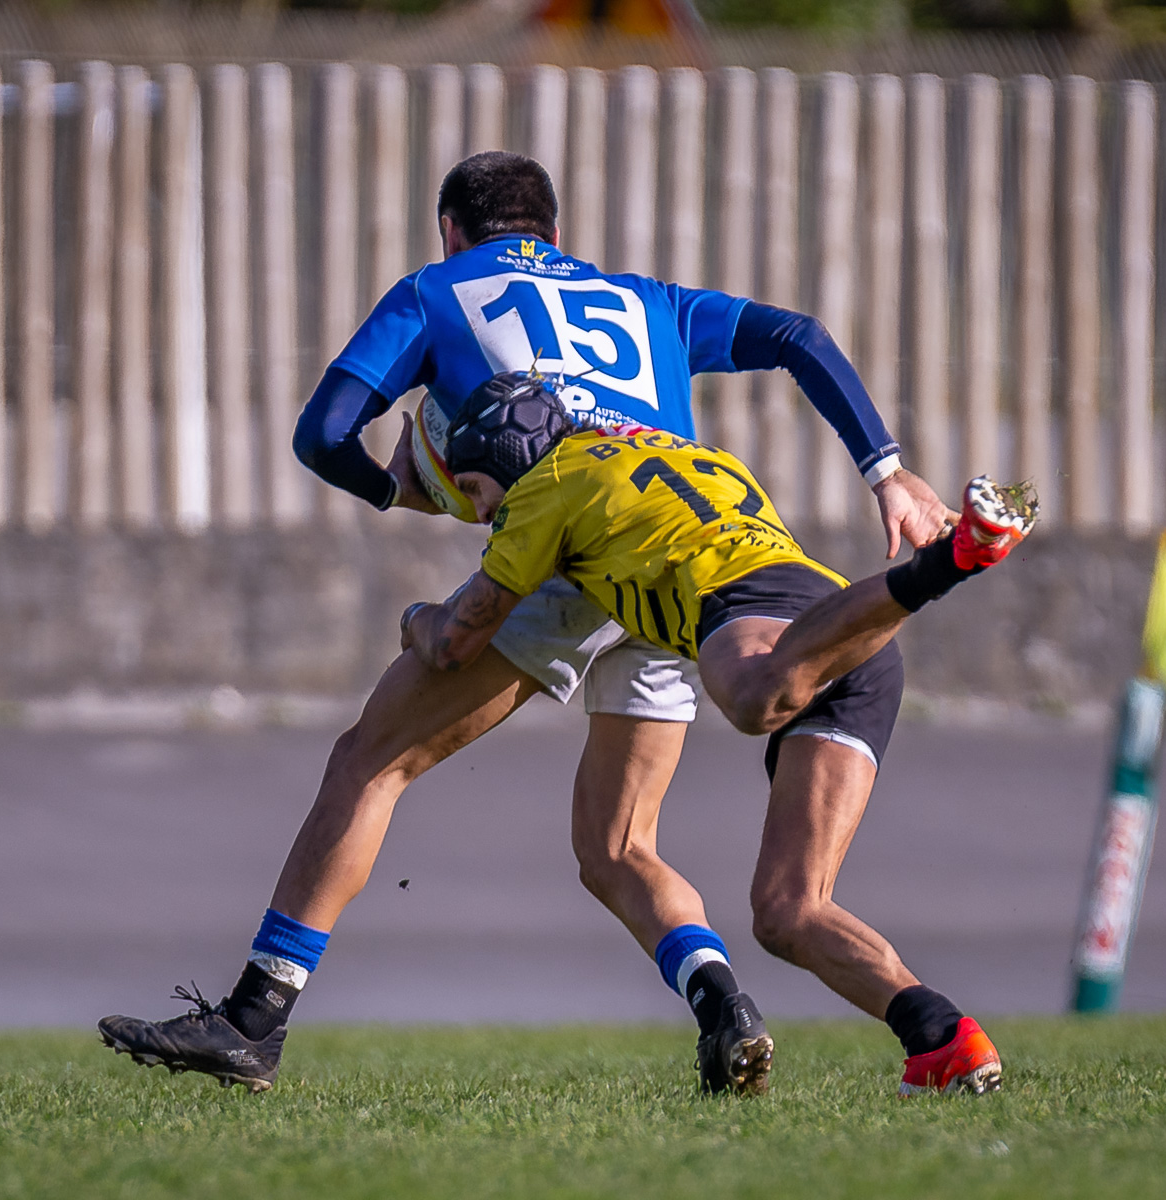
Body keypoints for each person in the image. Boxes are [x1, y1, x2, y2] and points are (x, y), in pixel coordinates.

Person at [97, 151, 955, 1095]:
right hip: (676, 565)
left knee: (371, 762)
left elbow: (323, 431)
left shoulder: (436, 290)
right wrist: (887, 470)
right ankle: (724, 1008)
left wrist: (397, 490)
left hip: (564, 544)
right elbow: (797, 333)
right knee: (617, 846)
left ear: (451, 229)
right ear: (552, 231)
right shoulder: (640, 298)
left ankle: (254, 1019)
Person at [400, 375, 1036, 1094]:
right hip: (848, 638)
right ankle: (945, 1040)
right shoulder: (659, 449)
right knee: (789, 912)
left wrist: (413, 618)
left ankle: (945, 564)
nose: (482, 515)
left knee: (751, 699)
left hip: (760, 617)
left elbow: (456, 642)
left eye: (477, 492)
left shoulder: (546, 486)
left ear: (507, 464)